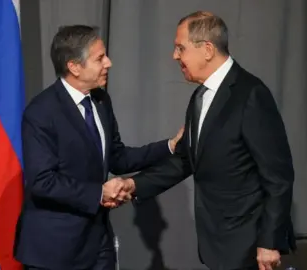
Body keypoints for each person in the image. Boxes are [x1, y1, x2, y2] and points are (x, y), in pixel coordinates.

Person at [121, 11, 296, 270]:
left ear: (207, 49)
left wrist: (269, 242)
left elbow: (278, 177)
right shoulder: (199, 97)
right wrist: (132, 184)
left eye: (180, 48)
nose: (175, 56)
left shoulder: (251, 95)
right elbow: (186, 161)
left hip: (250, 245)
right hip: (217, 242)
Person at [14, 25, 183, 270]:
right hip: (54, 250)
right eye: (100, 58)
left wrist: (169, 146)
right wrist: (99, 194)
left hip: (97, 244)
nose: (109, 63)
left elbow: (117, 157)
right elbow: (42, 181)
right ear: (74, 66)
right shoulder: (41, 113)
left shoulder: (101, 100)